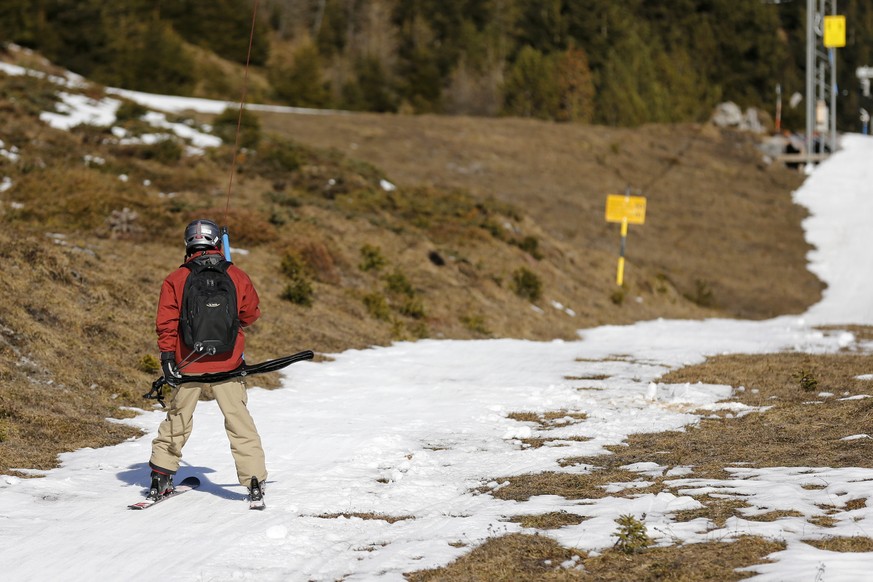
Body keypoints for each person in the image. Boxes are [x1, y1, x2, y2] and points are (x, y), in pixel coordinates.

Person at [146, 218, 266, 503]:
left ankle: (160, 477)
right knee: (239, 422)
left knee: (177, 420)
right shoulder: (236, 274)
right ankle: (254, 481)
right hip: (229, 362)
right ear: (215, 242)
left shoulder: (175, 279)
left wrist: (167, 358)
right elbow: (250, 315)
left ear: (188, 243)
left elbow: (166, 324)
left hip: (188, 363)